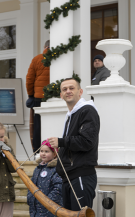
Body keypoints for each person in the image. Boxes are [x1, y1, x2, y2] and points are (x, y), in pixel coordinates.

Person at [47, 78, 100, 211]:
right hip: (69, 177)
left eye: (72, 88)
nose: (68, 91)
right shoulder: (72, 114)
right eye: (64, 89)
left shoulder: (87, 111)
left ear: (80, 91)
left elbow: (87, 142)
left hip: (81, 176)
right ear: (61, 95)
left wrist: (61, 142)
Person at [27, 139, 63, 216]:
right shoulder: (37, 169)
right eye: (41, 151)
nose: (43, 153)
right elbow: (31, 186)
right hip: (35, 209)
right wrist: (30, 198)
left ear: (54, 154)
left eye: (47, 151)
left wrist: (46, 201)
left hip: (50, 209)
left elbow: (58, 188)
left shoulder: (57, 169)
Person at [26, 40, 50, 152]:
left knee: (38, 126)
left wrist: (31, 95)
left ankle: (37, 150)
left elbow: (29, 79)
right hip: (55, 96)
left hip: (39, 96)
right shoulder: (59, 57)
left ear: (45, 47)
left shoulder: (37, 59)